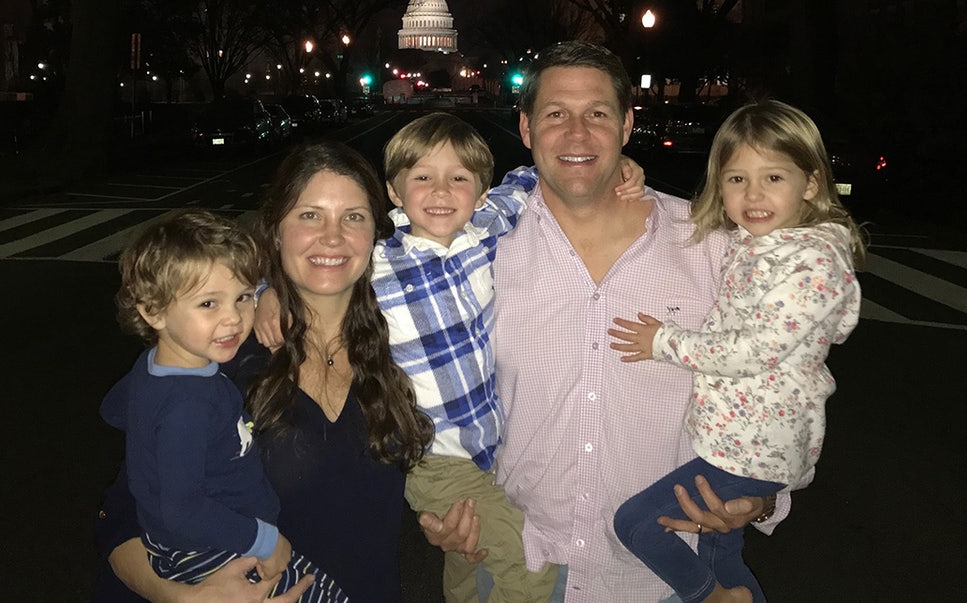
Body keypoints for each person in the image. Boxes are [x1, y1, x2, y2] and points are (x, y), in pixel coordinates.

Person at [420, 41, 787, 603]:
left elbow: (781, 381)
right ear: (524, 128)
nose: (576, 134)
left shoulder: (708, 246)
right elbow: (364, 282)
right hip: (525, 569)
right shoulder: (476, 249)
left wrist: (760, 498)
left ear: (626, 125)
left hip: (671, 576)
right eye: (555, 115)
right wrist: (275, 297)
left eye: (596, 114)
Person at [255, 113, 643, 603]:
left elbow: (535, 178)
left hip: (493, 444)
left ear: (480, 193)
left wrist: (618, 164)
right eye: (422, 178)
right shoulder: (377, 261)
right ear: (395, 193)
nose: (441, 191)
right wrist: (267, 291)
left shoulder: (486, 230)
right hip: (435, 456)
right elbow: (318, 269)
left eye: (459, 178)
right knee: (530, 566)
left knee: (469, 559)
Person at [96, 142, 434, 603]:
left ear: (375, 231)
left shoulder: (405, 344)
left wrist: (447, 511)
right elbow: (126, 513)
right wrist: (183, 598)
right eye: (309, 215)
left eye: (353, 216)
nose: (332, 237)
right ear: (274, 231)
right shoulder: (222, 356)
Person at [607, 100, 864, 603]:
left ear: (810, 184)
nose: (753, 194)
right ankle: (726, 592)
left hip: (754, 446)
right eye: (737, 179)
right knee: (723, 554)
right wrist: (635, 178)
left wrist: (664, 341)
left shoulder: (812, 260)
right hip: (736, 438)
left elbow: (756, 349)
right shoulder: (759, 243)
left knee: (637, 524)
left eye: (773, 177)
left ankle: (707, 597)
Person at [98, 209, 346, 601]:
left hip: (198, 542)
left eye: (243, 297)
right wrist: (265, 540)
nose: (234, 318)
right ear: (153, 311)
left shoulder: (163, 369)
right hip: (211, 551)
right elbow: (182, 509)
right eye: (209, 304)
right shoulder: (188, 405)